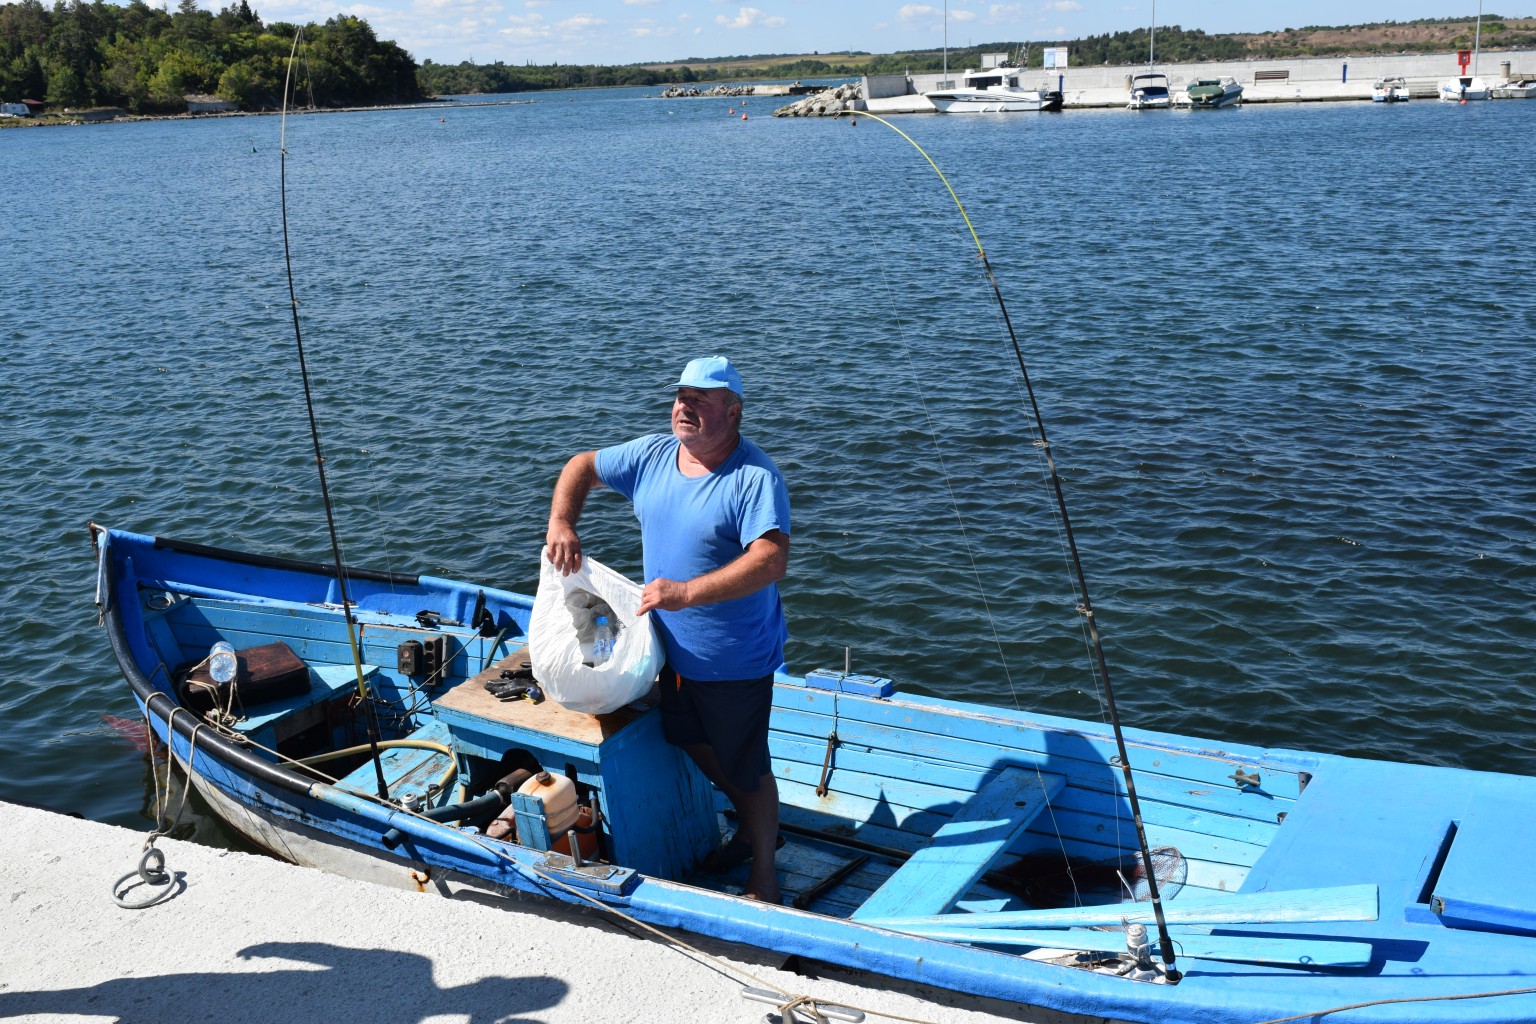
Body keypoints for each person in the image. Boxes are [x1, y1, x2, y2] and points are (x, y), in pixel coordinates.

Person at [545, 356, 791, 904]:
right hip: (666, 649)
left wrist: (686, 593)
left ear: (734, 411)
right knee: (691, 741)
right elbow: (581, 465)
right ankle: (755, 833)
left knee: (747, 768)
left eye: (702, 400)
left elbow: (771, 561)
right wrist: (562, 521)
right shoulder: (654, 454)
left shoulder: (754, 477)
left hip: (734, 658)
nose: (686, 408)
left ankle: (766, 879)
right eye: (682, 397)